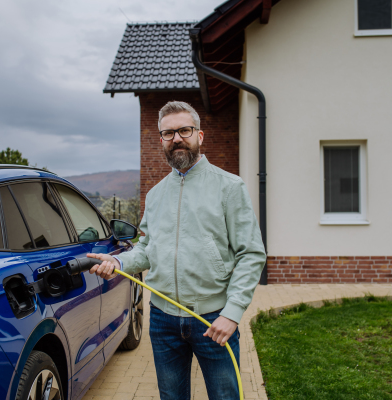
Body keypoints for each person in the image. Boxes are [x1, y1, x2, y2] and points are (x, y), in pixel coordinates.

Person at [88, 101, 266, 400]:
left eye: (185, 130)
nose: (177, 138)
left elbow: (251, 254)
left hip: (214, 318)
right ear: (161, 140)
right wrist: (118, 262)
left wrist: (232, 313)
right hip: (162, 320)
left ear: (200, 135)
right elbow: (146, 250)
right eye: (168, 133)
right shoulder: (156, 195)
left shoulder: (230, 187)